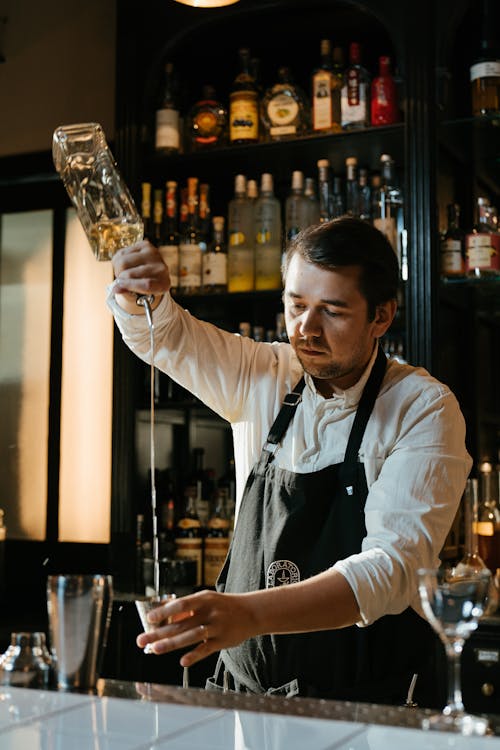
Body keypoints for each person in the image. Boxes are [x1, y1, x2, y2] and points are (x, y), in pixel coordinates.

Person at [108, 217, 471, 706]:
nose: (306, 329)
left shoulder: (422, 407)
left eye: (333, 311)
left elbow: (394, 569)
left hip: (363, 705)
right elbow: (165, 335)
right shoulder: (264, 374)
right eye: (296, 305)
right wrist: (140, 291)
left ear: (381, 317)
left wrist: (247, 614)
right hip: (242, 697)